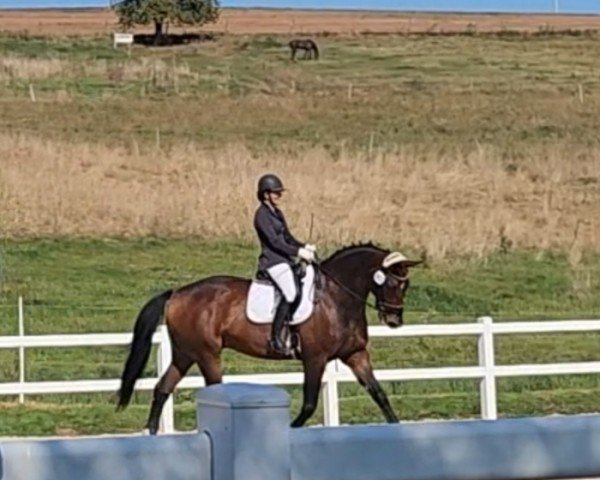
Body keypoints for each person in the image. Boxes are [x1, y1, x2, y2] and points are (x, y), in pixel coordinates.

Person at [254, 173, 316, 355]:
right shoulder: (261, 215)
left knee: (301, 287)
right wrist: (298, 252)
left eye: (279, 193)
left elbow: (287, 237)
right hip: (272, 262)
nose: (279, 196)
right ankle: (275, 338)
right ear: (266, 194)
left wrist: (304, 246)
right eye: (275, 193)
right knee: (291, 293)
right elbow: (274, 242)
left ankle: (293, 331)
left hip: (284, 260)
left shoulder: (277, 213)